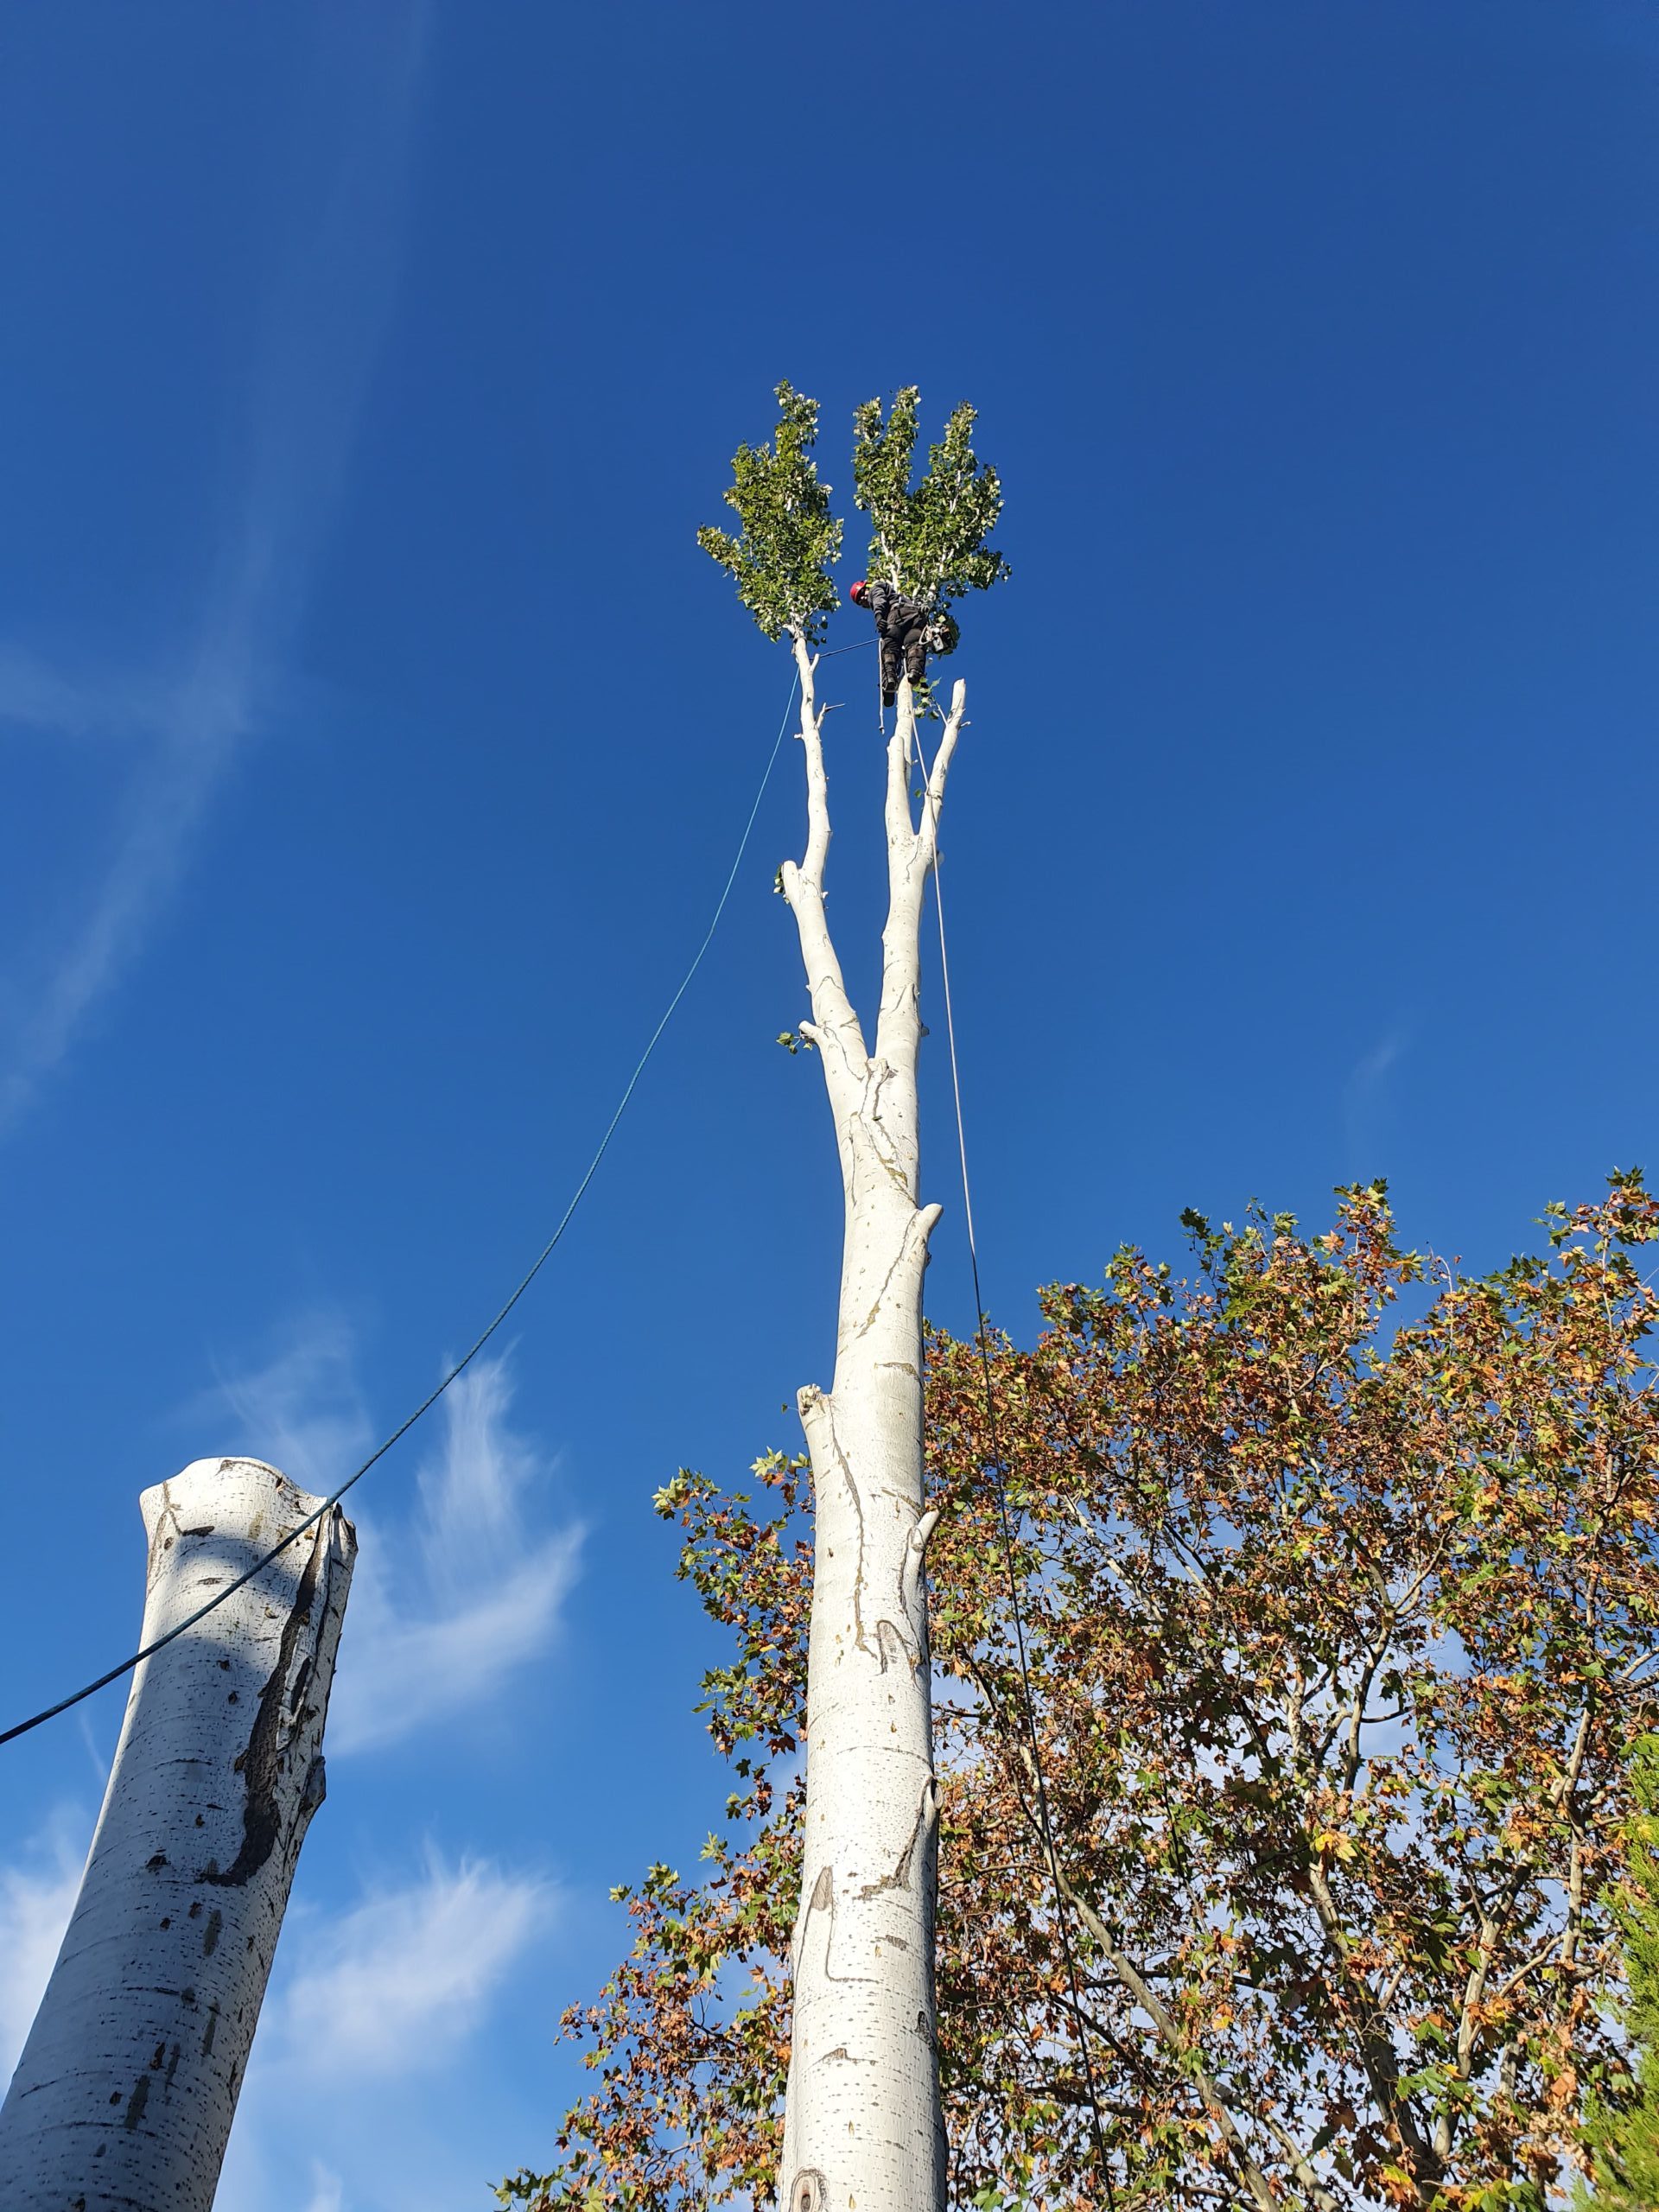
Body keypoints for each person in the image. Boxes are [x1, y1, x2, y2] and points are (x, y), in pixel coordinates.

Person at [849, 578, 929, 707]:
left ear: (867, 587)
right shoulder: (900, 596)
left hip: (897, 616)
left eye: (862, 594)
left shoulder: (875, 588)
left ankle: (889, 679)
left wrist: (879, 616)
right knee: (914, 645)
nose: (863, 599)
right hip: (914, 616)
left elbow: (878, 599)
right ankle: (915, 672)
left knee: (889, 647)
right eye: (860, 601)